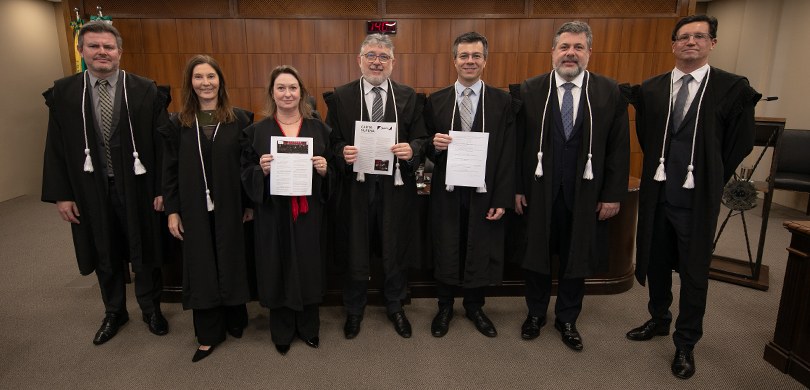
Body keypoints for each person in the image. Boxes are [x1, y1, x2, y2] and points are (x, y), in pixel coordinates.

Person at [625, 15, 759, 379]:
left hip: (697, 198)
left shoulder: (732, 88)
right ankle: (658, 318)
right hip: (659, 192)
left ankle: (686, 342)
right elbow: (647, 138)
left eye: (700, 36)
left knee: (695, 271)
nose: (691, 42)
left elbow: (739, 143)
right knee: (655, 259)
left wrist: (709, 171)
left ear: (712, 43)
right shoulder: (653, 88)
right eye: (684, 37)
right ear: (673, 45)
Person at [42, 21, 170, 345]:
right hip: (90, 188)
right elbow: (55, 146)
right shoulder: (65, 93)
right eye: (94, 46)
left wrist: (161, 189)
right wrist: (62, 195)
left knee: (144, 249)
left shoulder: (145, 90)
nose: (102, 52)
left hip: (139, 187)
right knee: (103, 248)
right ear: (82, 51)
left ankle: (150, 308)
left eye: (108, 47)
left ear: (119, 52)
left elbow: (162, 145)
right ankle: (114, 311)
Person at [514, 21, 629, 351]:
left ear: (589, 53)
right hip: (539, 192)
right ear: (552, 52)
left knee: (575, 256)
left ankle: (567, 318)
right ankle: (535, 314)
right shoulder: (531, 90)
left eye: (578, 47)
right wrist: (517, 189)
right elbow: (519, 146)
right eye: (564, 47)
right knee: (537, 254)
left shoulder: (609, 92)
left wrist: (612, 195)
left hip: (585, 194)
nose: (570, 53)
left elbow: (619, 148)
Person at [324, 33, 428, 340]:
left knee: (394, 245)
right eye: (370, 55)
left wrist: (413, 149)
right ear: (359, 60)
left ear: (393, 62)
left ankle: (395, 305)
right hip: (355, 189)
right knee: (356, 246)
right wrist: (341, 152)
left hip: (394, 188)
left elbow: (422, 138)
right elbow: (330, 141)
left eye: (383, 57)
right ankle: (354, 309)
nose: (376, 62)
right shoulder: (341, 96)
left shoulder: (408, 96)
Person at [423, 32, 517, 338]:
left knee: (480, 244)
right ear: (454, 60)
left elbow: (507, 154)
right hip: (447, 192)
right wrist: (432, 145)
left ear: (485, 61)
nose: (469, 61)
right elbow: (422, 146)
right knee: (448, 244)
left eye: (476, 56)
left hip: (484, 191)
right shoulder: (435, 101)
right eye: (463, 56)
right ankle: (445, 306)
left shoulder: (503, 102)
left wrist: (501, 198)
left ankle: (475, 306)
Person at [160, 55, 254, 362]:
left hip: (231, 205)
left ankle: (236, 319)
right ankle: (209, 333)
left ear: (220, 82)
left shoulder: (239, 118)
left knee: (231, 257)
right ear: (190, 83)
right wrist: (172, 210)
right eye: (198, 77)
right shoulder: (178, 123)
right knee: (201, 264)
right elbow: (170, 170)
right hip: (193, 206)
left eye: (211, 77)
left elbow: (247, 166)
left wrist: (249, 203)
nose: (205, 83)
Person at [242, 65, 333, 356]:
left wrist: (325, 170)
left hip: (309, 215)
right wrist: (260, 170)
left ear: (302, 93)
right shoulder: (256, 132)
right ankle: (281, 330)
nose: (287, 93)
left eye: (293, 88)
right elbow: (244, 173)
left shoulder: (319, 129)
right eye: (280, 88)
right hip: (273, 214)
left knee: (308, 266)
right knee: (277, 266)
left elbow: (335, 173)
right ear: (272, 93)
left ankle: (309, 328)